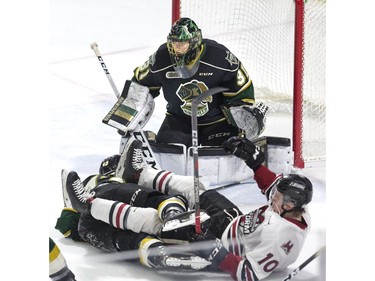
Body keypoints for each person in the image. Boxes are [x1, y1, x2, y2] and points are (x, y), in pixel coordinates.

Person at [56, 136, 313, 280]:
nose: (272, 195)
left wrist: (215, 253)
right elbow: (271, 185)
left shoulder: (279, 237)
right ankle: (139, 174)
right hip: (231, 222)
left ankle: (88, 204)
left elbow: (247, 273)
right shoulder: (294, 209)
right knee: (196, 188)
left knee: (158, 223)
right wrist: (254, 161)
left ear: (289, 204)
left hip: (218, 243)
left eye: (278, 196)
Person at [121, 17, 268, 147]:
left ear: (194, 42)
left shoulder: (219, 57)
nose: (177, 48)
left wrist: (244, 117)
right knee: (166, 156)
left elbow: (241, 90)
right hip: (178, 121)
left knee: (226, 154)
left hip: (217, 122)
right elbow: (140, 83)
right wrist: (127, 113)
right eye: (174, 43)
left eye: (182, 43)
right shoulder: (161, 57)